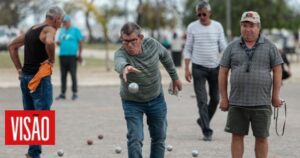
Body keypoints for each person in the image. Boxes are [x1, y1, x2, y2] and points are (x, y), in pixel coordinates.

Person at [219, 11, 283, 158]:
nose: (248, 29)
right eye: (244, 25)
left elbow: (278, 70)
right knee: (236, 136)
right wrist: (224, 98)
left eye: (252, 25)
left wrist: (275, 96)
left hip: (261, 102)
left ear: (258, 27)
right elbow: (222, 72)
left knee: (261, 138)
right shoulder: (232, 46)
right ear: (240, 27)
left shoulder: (270, 46)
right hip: (237, 102)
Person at [114, 22, 182, 158]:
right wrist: (125, 67)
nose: (129, 45)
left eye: (132, 40)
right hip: (132, 102)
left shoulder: (152, 44)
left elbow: (166, 57)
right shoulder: (120, 53)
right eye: (125, 41)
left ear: (140, 38)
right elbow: (119, 62)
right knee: (135, 138)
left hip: (156, 98)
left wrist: (175, 77)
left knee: (159, 137)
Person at [8, 6, 64, 158]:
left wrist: (19, 70)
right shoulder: (49, 29)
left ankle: (32, 153)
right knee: (42, 116)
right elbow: (50, 42)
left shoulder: (32, 29)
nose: (62, 24)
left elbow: (12, 46)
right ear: (56, 19)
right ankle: (34, 153)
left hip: (25, 78)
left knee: (31, 116)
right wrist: (51, 59)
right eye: (62, 21)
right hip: (39, 79)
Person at [183, 1, 227, 141]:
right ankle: (206, 130)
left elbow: (223, 47)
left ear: (209, 13)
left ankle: (202, 119)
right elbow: (188, 48)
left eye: (204, 14)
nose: (201, 17)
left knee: (215, 98)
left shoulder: (217, 26)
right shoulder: (192, 27)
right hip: (198, 68)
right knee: (202, 100)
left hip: (215, 68)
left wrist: (226, 65)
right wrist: (186, 68)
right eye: (199, 14)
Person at [55, 15, 83, 100]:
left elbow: (80, 42)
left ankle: (75, 93)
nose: (65, 24)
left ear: (70, 22)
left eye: (66, 22)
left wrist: (80, 54)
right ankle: (63, 93)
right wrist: (59, 43)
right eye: (63, 22)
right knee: (63, 75)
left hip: (72, 56)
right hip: (62, 56)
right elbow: (59, 42)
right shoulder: (61, 31)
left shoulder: (75, 30)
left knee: (73, 74)